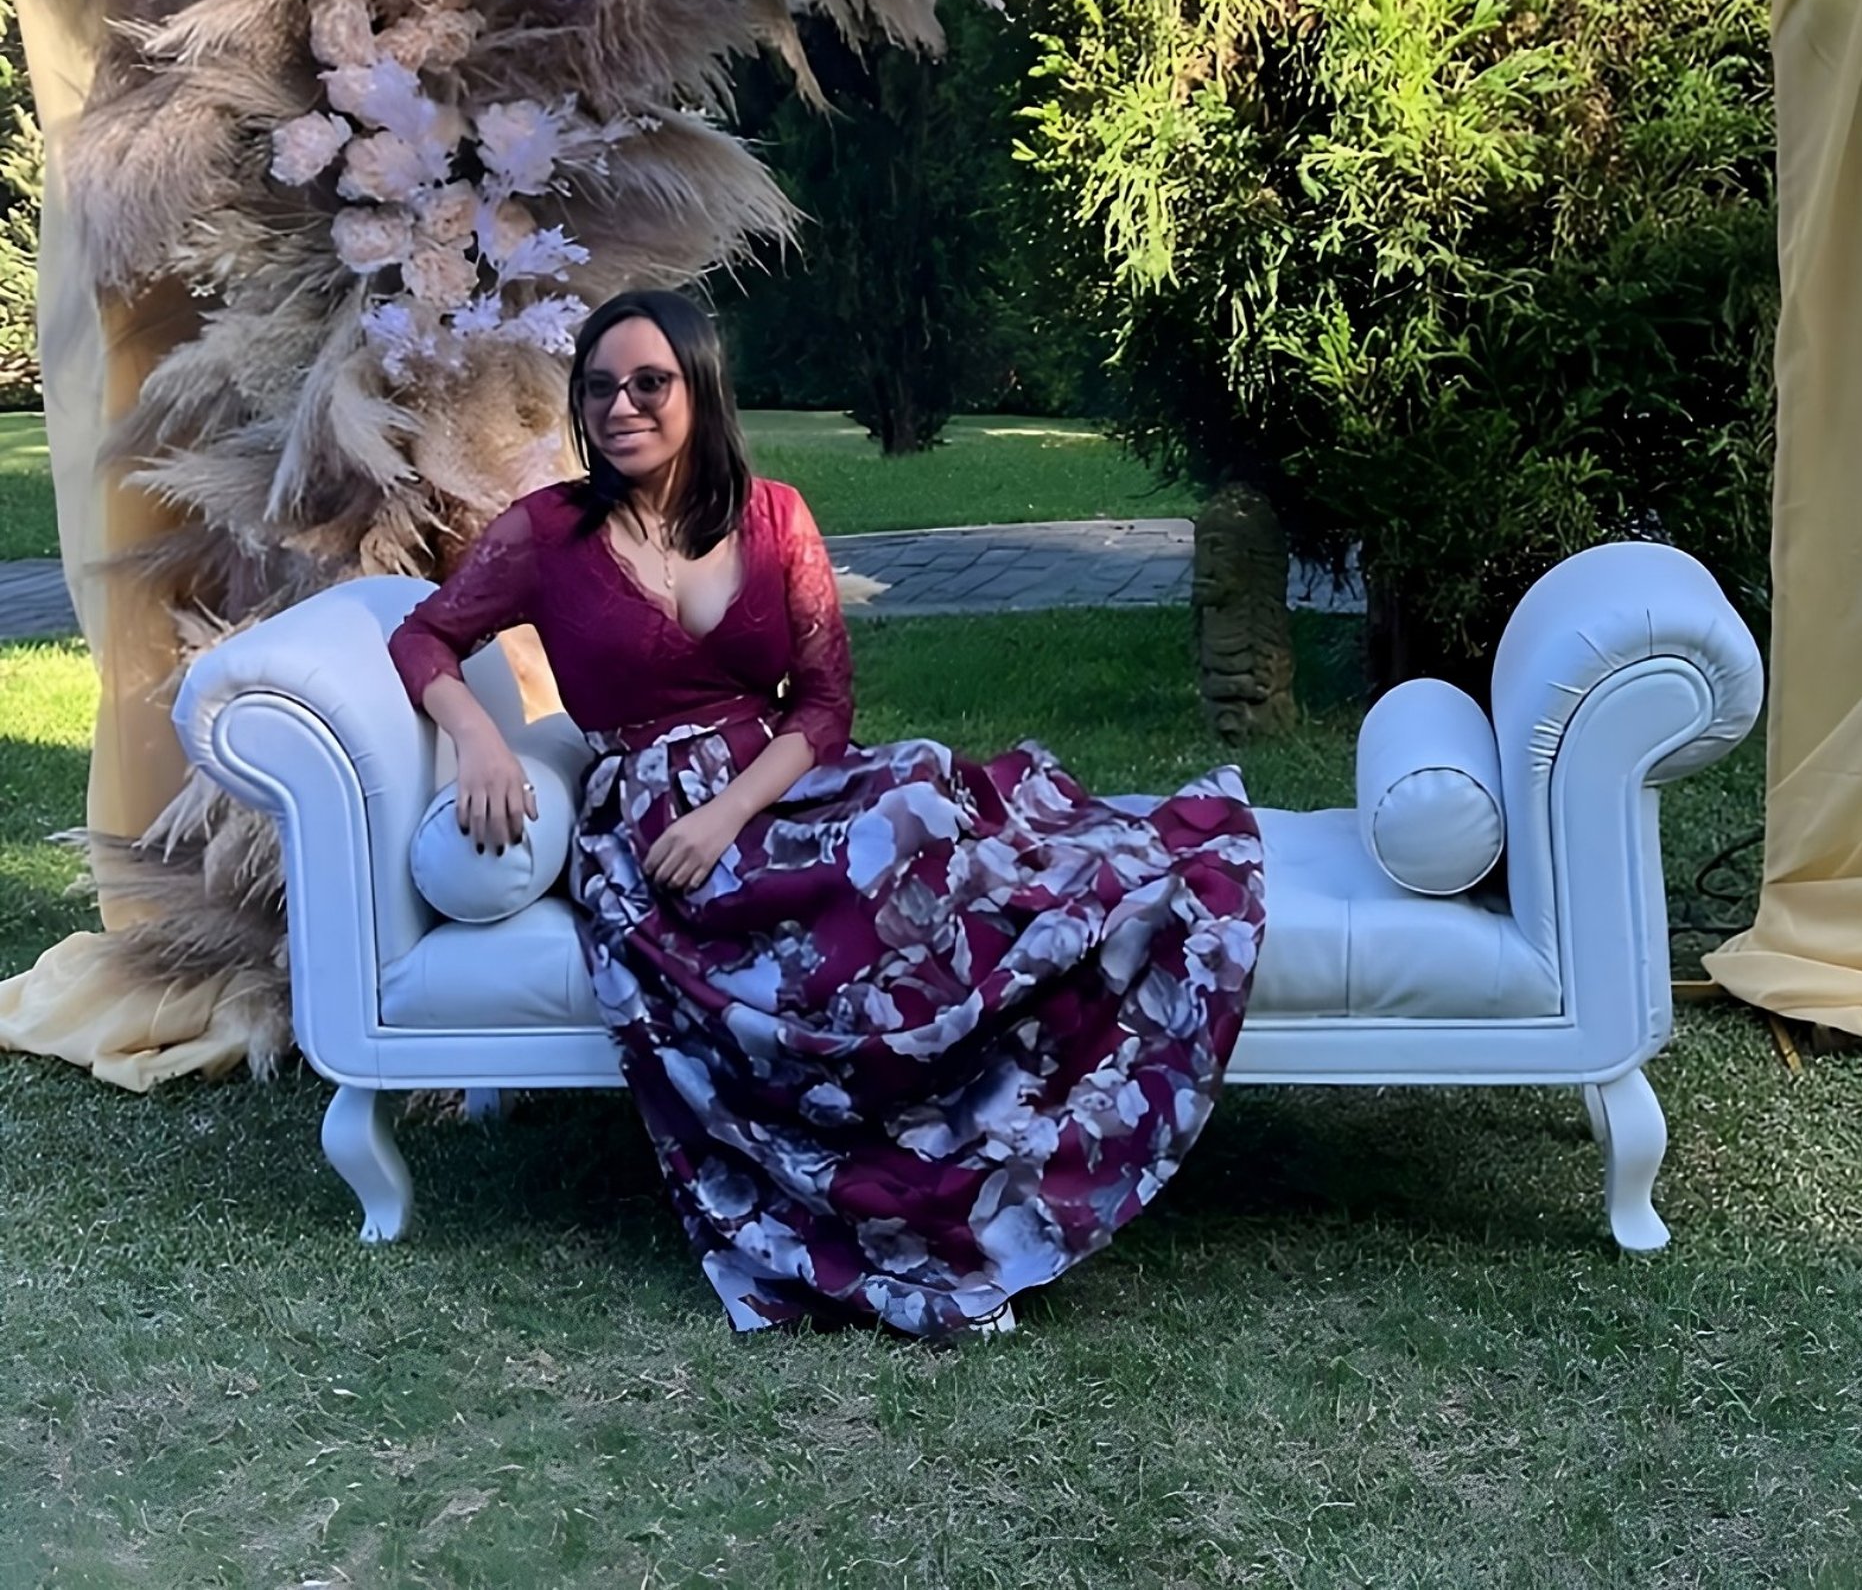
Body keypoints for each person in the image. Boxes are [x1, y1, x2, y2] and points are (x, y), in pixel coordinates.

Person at [389, 288, 1265, 1337]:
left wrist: (732, 809)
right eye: (599, 387)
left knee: (921, 800)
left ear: (701, 389)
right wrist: (481, 735)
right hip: (652, 824)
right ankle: (892, 1201)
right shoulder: (548, 534)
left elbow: (825, 704)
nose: (621, 406)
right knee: (869, 875)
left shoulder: (774, 516)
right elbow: (423, 637)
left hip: (774, 786)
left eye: (649, 382)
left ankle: (994, 1084)